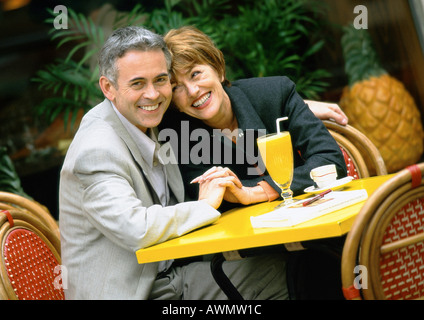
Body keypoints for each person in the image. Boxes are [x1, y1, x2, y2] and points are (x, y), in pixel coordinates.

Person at [59, 26, 288, 300]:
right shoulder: (96, 149)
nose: (153, 94)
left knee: (285, 271)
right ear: (108, 88)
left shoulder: (151, 118)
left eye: (160, 80)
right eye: (137, 83)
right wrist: (203, 206)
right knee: (279, 278)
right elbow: (137, 228)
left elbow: (219, 97)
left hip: (173, 278)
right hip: (133, 292)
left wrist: (296, 106)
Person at [161, 26, 348, 212]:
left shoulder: (275, 94)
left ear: (219, 70)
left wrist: (255, 192)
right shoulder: (177, 132)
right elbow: (210, 196)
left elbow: (330, 161)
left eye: (195, 74)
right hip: (249, 237)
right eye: (176, 87)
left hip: (316, 222)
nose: (193, 91)